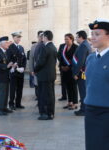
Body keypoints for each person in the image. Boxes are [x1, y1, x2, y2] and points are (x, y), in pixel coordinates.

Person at [84, 19, 109, 150]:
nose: (92, 38)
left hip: (106, 113)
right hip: (90, 111)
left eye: (97, 34)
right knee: (92, 145)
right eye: (92, 34)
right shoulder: (90, 58)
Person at [34, 30, 57, 120]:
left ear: (46, 37)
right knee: (50, 95)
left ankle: (45, 114)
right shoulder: (53, 47)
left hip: (44, 76)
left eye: (43, 36)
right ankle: (51, 113)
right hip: (51, 75)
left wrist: (35, 69)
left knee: (43, 95)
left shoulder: (45, 47)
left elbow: (40, 62)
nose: (42, 38)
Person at [72, 31, 91, 116]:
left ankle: (84, 110)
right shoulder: (85, 44)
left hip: (82, 73)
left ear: (81, 37)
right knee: (84, 91)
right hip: (84, 72)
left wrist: (75, 73)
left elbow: (81, 61)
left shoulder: (83, 46)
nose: (76, 39)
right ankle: (84, 108)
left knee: (83, 92)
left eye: (76, 37)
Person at [0, 36, 13, 116]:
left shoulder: (5, 52)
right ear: (2, 44)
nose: (8, 44)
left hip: (6, 76)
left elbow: (6, 63)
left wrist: (12, 65)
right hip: (1, 76)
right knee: (2, 93)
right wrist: (7, 66)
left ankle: (4, 107)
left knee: (6, 93)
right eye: (6, 43)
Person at [7, 32, 27, 110]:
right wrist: (12, 66)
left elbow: (24, 59)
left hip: (20, 71)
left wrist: (24, 68)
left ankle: (18, 103)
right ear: (13, 38)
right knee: (13, 88)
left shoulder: (21, 47)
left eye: (19, 37)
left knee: (20, 88)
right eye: (17, 37)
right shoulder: (10, 48)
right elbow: (8, 59)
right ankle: (11, 104)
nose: (19, 39)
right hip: (14, 71)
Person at [58, 33, 78, 110]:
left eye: (67, 39)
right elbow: (59, 56)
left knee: (73, 86)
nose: (65, 40)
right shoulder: (63, 46)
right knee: (68, 86)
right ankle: (70, 102)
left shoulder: (76, 47)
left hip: (72, 70)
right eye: (65, 39)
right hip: (64, 70)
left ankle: (75, 103)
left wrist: (68, 66)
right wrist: (62, 66)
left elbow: (76, 59)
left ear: (71, 39)